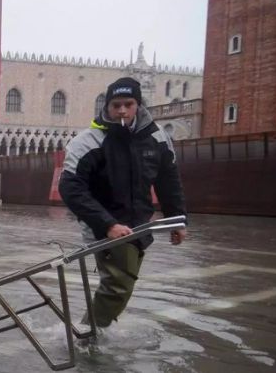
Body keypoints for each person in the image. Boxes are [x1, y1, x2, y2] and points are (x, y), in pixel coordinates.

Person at [59, 77, 187, 329]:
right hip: (104, 226)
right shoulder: (89, 141)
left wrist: (178, 220)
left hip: (139, 226)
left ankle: (90, 332)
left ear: (138, 105)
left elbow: (168, 182)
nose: (122, 111)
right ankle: (86, 337)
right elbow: (70, 187)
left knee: (119, 284)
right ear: (106, 107)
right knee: (118, 286)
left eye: (128, 104)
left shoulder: (157, 138)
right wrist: (107, 224)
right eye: (115, 105)